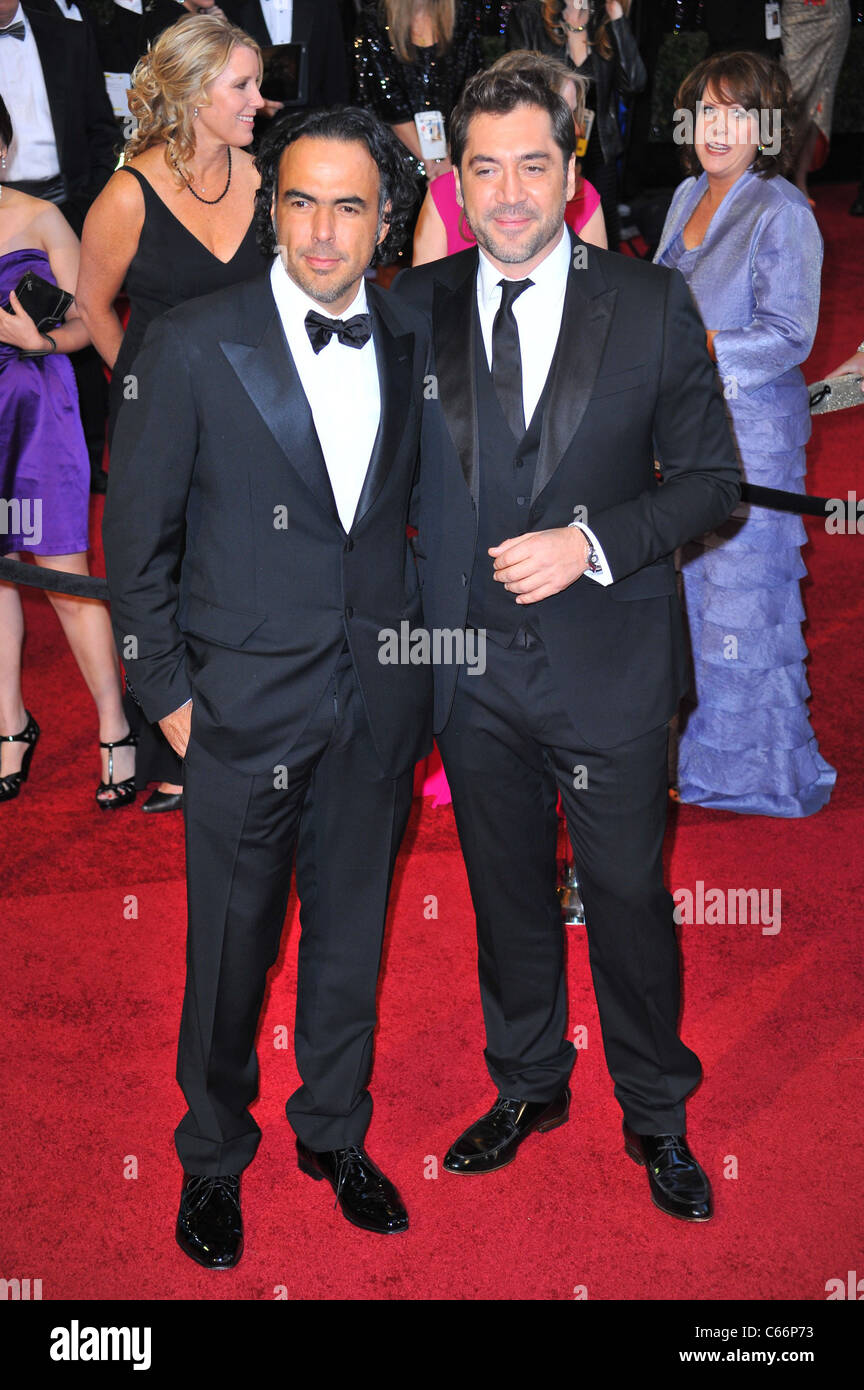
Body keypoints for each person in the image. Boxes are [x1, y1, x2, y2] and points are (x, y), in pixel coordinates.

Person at [393, 64, 740, 1221]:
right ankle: (530, 1080)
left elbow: (711, 488)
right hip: (470, 673)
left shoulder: (647, 303)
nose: (506, 192)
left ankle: (656, 1109)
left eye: (531, 164)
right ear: (457, 178)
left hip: (612, 662)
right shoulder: (416, 302)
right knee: (504, 895)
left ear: (571, 171)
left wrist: (591, 542)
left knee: (629, 897)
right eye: (482, 168)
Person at [102, 106, 432, 1265]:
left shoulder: (406, 339)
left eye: (350, 204)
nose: (323, 230)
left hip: (377, 701)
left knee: (352, 933)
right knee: (229, 951)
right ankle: (210, 1155)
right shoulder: (193, 342)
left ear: (385, 218)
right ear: (269, 206)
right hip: (240, 711)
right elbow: (133, 544)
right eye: (299, 201)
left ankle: (333, 1129)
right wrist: (171, 697)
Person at [77, 14, 268, 812]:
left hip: (258, 417)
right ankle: (171, 744)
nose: (262, 100)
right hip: (162, 422)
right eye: (244, 87)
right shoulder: (127, 193)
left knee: (243, 574)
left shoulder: (265, 175)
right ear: (193, 96)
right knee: (162, 578)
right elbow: (93, 306)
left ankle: (252, 726)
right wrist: (148, 392)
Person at [654, 51, 836, 818]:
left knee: (743, 600)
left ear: (767, 127)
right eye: (704, 112)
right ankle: (698, 762)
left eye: (736, 113)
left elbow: (790, 336)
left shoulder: (782, 210)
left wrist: (695, 353)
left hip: (751, 435)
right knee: (692, 597)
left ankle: (761, 772)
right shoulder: (688, 192)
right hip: (681, 432)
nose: (716, 129)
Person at [0, 95, 136, 808]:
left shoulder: (42, 216)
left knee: (62, 570)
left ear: (3, 147)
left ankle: (115, 726)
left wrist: (38, 341)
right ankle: (10, 724)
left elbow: (90, 320)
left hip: (37, 409)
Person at [413, 48, 606, 263]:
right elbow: (426, 288)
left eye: (572, 111)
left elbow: (591, 285)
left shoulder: (583, 197)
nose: (578, 129)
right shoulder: (443, 192)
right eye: (563, 112)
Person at [505, 1, 646, 249]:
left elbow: (634, 82)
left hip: (598, 149)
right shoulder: (529, 16)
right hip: (546, 146)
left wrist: (617, 18)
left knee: (602, 240)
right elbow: (514, 85)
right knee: (547, 229)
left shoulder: (605, 21)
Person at [355, 0, 483, 185]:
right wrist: (432, 162)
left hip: (452, 154)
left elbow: (471, 91)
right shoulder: (374, 20)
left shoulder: (461, 15)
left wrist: (449, 156)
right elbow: (388, 101)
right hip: (394, 160)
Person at [220, 0, 350, 111]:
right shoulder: (227, 7)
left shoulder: (324, 4)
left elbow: (335, 71)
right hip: (253, 126)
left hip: (314, 122)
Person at [781, 0, 851, 201]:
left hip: (834, 12)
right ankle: (774, 174)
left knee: (821, 98)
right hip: (798, 12)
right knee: (790, 96)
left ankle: (800, 181)